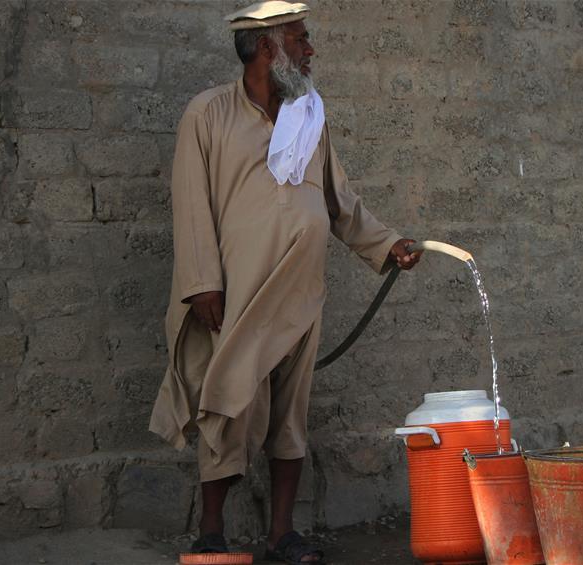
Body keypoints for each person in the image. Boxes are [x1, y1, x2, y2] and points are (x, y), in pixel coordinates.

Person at [149, 1, 421, 562]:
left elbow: (338, 200)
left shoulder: (308, 116)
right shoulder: (208, 114)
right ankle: (212, 531)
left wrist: (386, 243)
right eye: (300, 39)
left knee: (291, 413)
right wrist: (203, 283)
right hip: (236, 295)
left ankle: (282, 535)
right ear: (268, 49)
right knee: (227, 405)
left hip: (299, 293)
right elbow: (191, 204)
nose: (310, 49)